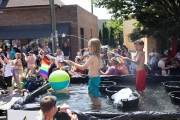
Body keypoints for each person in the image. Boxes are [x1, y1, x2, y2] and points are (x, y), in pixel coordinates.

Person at [65, 38, 103, 112]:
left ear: (94, 47)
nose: (88, 47)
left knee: (95, 96)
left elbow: (83, 67)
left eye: (89, 46)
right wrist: (92, 67)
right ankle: (93, 104)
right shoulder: (98, 56)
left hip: (94, 79)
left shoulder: (92, 57)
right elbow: (100, 66)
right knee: (90, 93)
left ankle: (98, 109)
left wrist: (72, 63)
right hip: (94, 78)